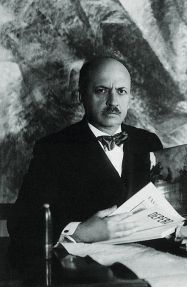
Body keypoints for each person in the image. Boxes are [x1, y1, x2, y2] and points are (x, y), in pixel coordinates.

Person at [7, 57, 163, 256]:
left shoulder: (149, 142)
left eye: (121, 91)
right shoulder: (53, 149)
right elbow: (20, 226)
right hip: (85, 274)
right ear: (81, 95)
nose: (113, 101)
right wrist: (80, 232)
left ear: (129, 97)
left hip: (150, 265)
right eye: (101, 90)